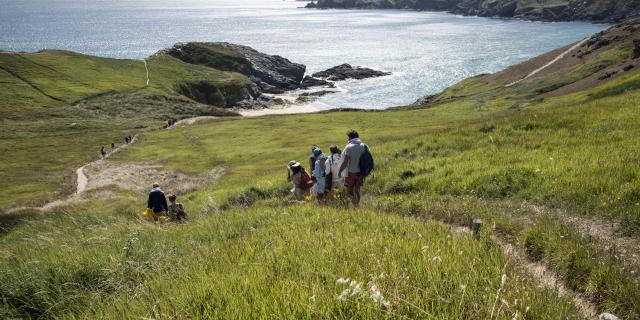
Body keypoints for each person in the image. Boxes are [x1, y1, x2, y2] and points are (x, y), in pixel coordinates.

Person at [339, 129, 366, 206]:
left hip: (351, 172)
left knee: (349, 190)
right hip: (361, 172)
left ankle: (355, 204)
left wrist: (340, 171)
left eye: (348, 137)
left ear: (350, 137)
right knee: (357, 190)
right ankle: (357, 204)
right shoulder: (363, 146)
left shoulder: (349, 147)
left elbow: (345, 162)